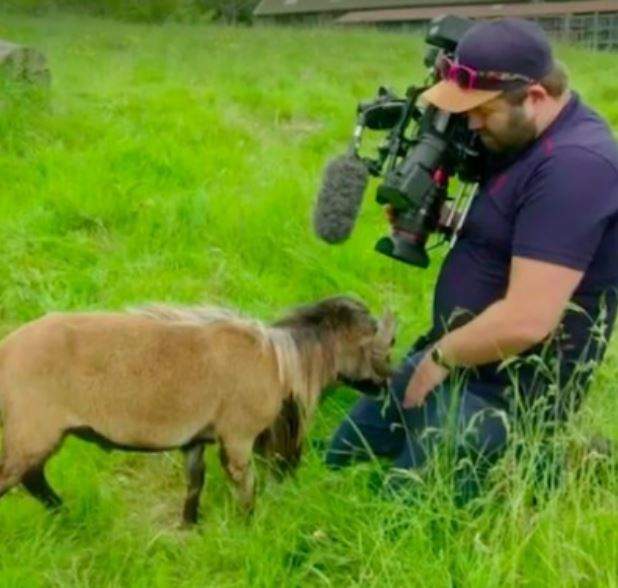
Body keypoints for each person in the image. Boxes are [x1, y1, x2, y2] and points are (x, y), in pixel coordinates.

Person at [325, 18, 618, 492]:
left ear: (536, 97)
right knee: (338, 461)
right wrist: (441, 221)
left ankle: (557, 465)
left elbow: (527, 319)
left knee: (399, 517)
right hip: (456, 351)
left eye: (482, 111)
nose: (472, 123)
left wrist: (439, 359)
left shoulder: (576, 168)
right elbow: (519, 232)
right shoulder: (518, 137)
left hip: (509, 391)